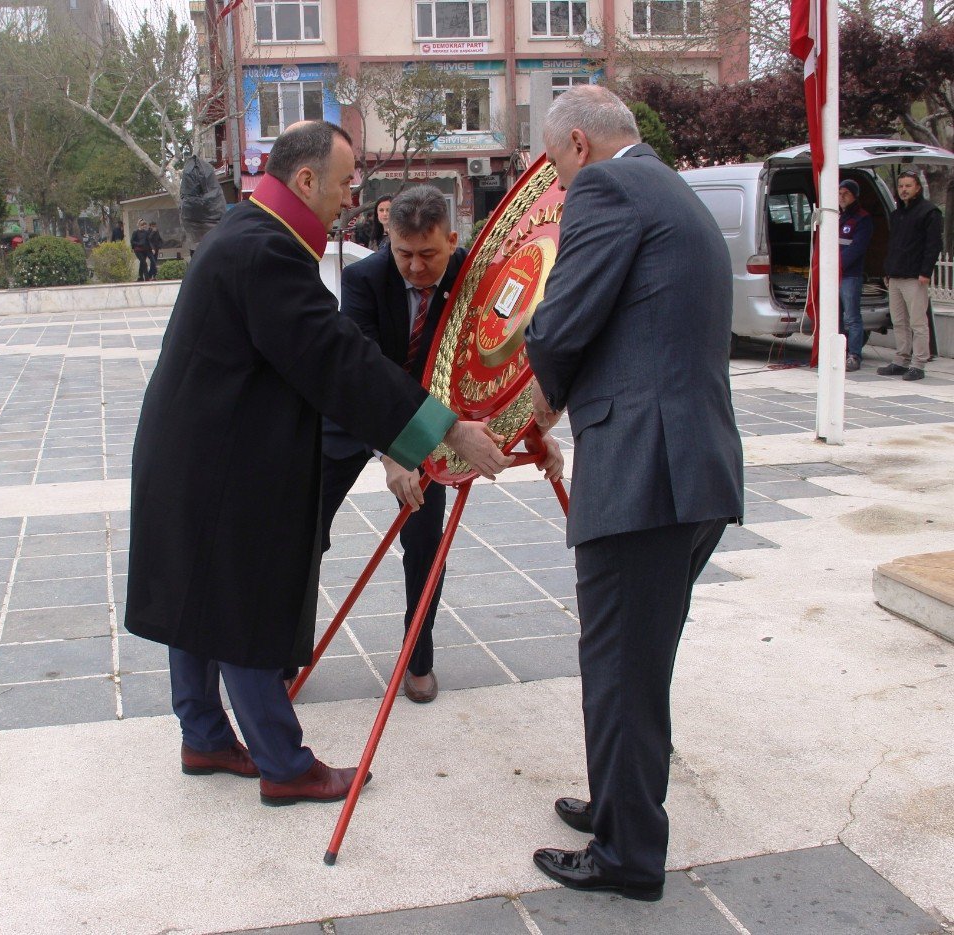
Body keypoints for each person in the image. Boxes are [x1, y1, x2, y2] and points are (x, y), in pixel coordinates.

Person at [125, 120, 511, 807]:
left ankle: (206, 734)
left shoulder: (249, 234)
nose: (350, 199)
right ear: (306, 181)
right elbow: (338, 357)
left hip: (197, 451)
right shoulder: (265, 249)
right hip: (220, 462)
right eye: (343, 183)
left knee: (200, 596)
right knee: (242, 602)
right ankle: (283, 761)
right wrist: (444, 427)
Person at [523, 85, 744, 902]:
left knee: (620, 665)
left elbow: (563, 320)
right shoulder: (668, 184)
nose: (558, 188)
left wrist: (529, 389)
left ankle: (627, 854)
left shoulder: (606, 189)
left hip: (645, 470)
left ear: (578, 145)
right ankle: (619, 801)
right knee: (636, 660)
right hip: (693, 465)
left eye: (555, 168)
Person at [313, 185, 563, 704]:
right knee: (304, 526)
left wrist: (535, 433)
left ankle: (417, 657)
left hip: (437, 422)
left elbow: (499, 366)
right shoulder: (363, 278)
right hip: (361, 416)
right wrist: (391, 452)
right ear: (389, 240)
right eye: (403, 253)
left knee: (425, 541)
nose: (416, 267)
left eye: (429, 254)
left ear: (452, 240)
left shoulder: (477, 278)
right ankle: (285, 648)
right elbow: (364, 373)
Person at [876, 169, 943, 382]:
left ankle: (918, 363)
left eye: (908, 186)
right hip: (895, 275)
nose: (904, 190)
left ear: (918, 188)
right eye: (901, 186)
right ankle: (901, 359)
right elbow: (893, 245)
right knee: (899, 321)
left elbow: (933, 245)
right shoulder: (897, 214)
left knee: (917, 322)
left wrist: (925, 271)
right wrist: (887, 270)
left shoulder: (929, 212)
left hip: (915, 277)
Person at [838, 179, 872, 372]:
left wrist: (838, 265)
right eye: (839, 193)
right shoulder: (837, 217)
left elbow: (857, 248)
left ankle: (854, 355)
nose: (841, 197)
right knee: (836, 317)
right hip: (834, 275)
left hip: (850, 275)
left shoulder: (862, 218)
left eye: (846, 193)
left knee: (852, 317)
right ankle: (838, 353)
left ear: (854, 195)